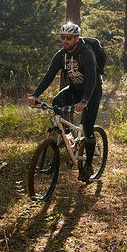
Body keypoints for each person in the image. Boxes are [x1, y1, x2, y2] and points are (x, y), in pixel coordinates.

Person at [27, 22, 103, 182]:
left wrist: (85, 101)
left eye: (68, 38)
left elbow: (92, 80)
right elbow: (48, 76)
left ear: (76, 38)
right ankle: (69, 136)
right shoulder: (61, 55)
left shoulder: (87, 53)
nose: (65, 41)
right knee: (56, 103)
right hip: (74, 89)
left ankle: (88, 165)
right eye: (63, 38)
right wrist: (35, 95)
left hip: (92, 91)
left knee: (88, 127)